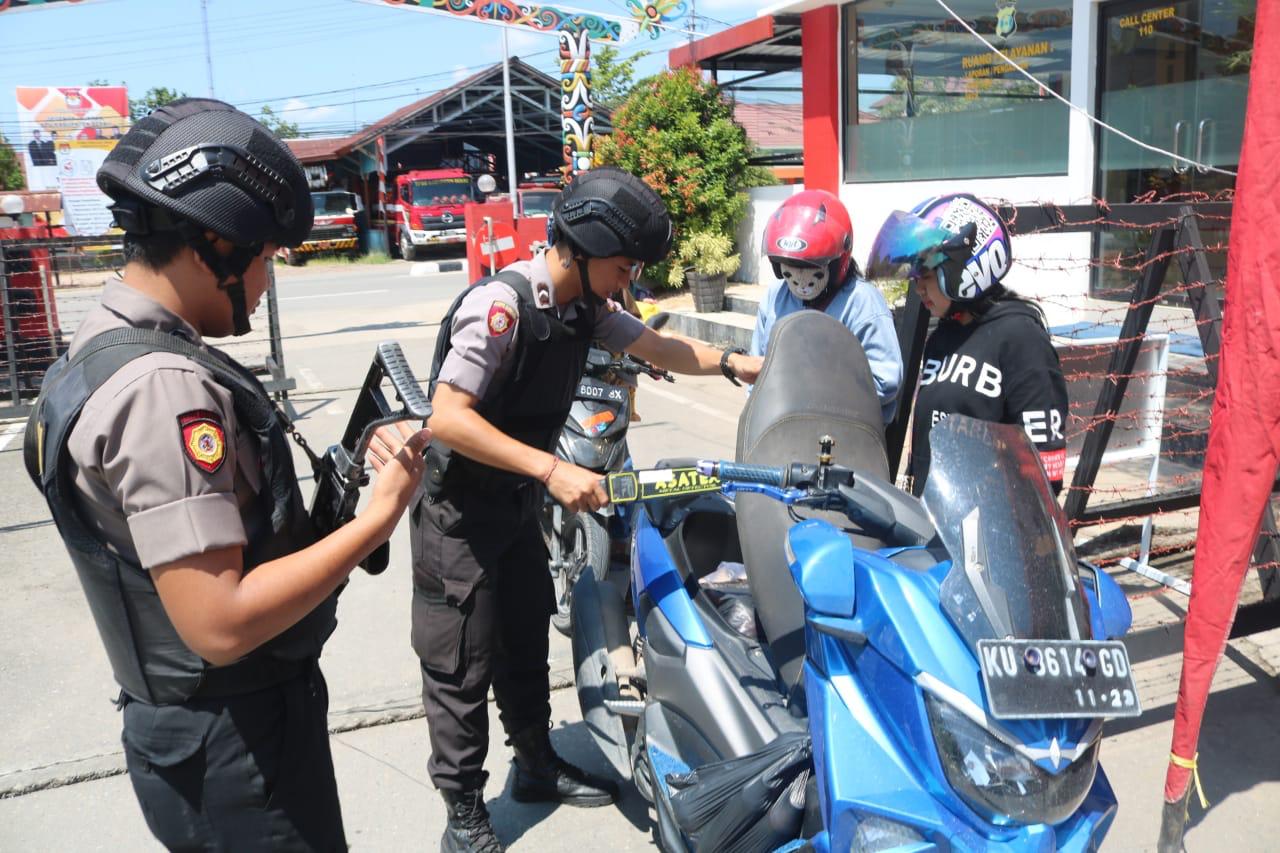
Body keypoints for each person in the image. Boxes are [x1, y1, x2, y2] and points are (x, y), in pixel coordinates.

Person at [22, 99, 431, 851]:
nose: (270, 276)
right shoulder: (162, 388)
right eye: (267, 254)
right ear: (215, 241)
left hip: (199, 737)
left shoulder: (105, 342)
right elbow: (220, 621)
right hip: (236, 749)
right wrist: (380, 516)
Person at [414, 166, 763, 853]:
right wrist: (550, 467)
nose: (631, 275)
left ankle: (537, 765)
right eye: (625, 262)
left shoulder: (585, 311)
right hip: (459, 514)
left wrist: (733, 363)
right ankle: (464, 815)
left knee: (525, 635)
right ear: (584, 244)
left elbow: (658, 345)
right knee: (463, 664)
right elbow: (447, 418)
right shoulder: (504, 308)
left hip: (514, 506)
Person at [866, 193, 1068, 496]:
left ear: (965, 267)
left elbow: (1043, 467)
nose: (918, 284)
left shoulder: (1021, 339)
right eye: (915, 273)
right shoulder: (943, 337)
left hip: (991, 530)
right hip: (936, 519)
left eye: (927, 272)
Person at [751, 189, 903, 422]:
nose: (800, 280)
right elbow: (758, 367)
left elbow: (886, 381)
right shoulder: (775, 297)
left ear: (834, 264)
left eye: (810, 268)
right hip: (782, 425)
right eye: (789, 266)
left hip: (846, 430)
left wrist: (814, 388)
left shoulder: (862, 303)